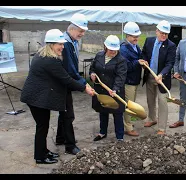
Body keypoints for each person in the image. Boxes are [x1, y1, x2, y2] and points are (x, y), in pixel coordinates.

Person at [20, 29, 94, 164]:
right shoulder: (50, 61)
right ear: (50, 44)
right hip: (36, 99)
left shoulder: (42, 55)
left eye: (63, 44)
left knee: (43, 126)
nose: (62, 47)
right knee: (42, 127)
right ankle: (40, 157)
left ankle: (43, 151)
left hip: (36, 97)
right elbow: (66, 79)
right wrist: (85, 88)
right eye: (59, 44)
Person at [55, 13, 89, 155]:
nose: (82, 34)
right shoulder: (66, 43)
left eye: (83, 31)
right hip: (62, 83)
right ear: (72, 29)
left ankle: (60, 138)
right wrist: (84, 84)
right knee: (69, 114)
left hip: (64, 82)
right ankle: (70, 146)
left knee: (63, 111)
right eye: (80, 31)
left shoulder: (72, 41)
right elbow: (70, 69)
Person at [89, 35, 127, 142]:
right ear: (105, 47)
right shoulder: (99, 55)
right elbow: (93, 67)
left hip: (115, 91)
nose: (113, 52)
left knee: (117, 114)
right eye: (111, 50)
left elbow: (121, 76)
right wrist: (92, 74)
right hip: (101, 90)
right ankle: (102, 132)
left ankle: (120, 137)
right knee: (103, 111)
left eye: (115, 50)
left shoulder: (121, 60)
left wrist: (115, 89)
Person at [141, 20, 176, 135]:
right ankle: (152, 119)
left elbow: (170, 63)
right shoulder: (149, 41)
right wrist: (144, 60)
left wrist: (161, 74)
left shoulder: (171, 46)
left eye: (166, 33)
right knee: (150, 100)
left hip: (162, 78)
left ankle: (162, 128)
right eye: (162, 33)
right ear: (157, 31)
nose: (164, 35)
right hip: (150, 75)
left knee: (162, 102)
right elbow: (144, 53)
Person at [120, 22, 147, 137]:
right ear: (127, 36)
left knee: (131, 103)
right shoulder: (123, 49)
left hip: (134, 80)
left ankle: (128, 123)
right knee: (129, 105)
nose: (136, 38)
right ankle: (128, 127)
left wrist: (142, 61)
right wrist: (138, 62)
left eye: (137, 36)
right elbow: (125, 67)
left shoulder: (135, 46)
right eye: (134, 36)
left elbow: (139, 57)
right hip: (128, 81)